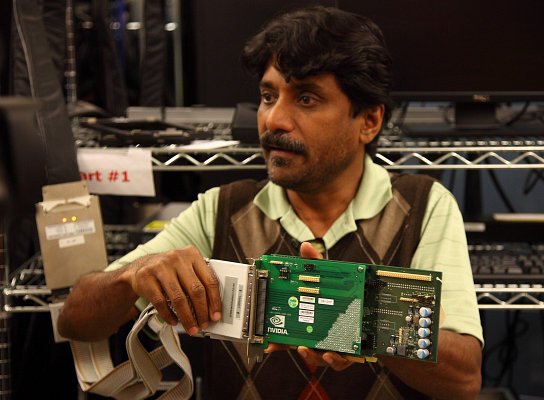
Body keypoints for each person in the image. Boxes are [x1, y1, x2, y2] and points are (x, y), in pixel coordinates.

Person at [58, 6, 483, 399]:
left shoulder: (423, 206)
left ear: (369, 121)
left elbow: (464, 378)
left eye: (306, 99)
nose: (274, 119)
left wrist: (357, 319)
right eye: (267, 96)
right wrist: (132, 276)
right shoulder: (221, 210)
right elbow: (74, 319)